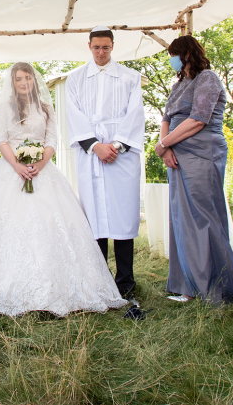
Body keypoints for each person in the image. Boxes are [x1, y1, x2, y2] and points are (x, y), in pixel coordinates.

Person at [0, 63, 128, 317]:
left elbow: (51, 141)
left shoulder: (46, 108)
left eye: (27, 78)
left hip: (43, 170)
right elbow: (1, 140)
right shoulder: (6, 107)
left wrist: (39, 163)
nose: (24, 82)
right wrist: (17, 166)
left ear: (34, 81)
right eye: (19, 79)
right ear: (13, 83)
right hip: (10, 168)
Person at [155, 35, 233, 305]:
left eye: (173, 54)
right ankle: (188, 286)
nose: (171, 60)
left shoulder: (208, 78)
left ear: (185, 54)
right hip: (177, 154)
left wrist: (163, 145)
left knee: (203, 216)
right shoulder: (178, 84)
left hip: (202, 152)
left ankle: (216, 289)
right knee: (182, 219)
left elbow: (198, 119)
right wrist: (165, 147)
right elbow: (166, 118)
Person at [66, 26, 145, 298]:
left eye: (106, 48)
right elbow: (73, 115)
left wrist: (117, 145)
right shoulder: (75, 78)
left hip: (121, 155)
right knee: (94, 216)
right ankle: (99, 282)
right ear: (89, 46)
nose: (101, 52)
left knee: (122, 215)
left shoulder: (130, 77)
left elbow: (135, 114)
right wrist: (95, 146)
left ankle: (126, 283)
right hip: (91, 154)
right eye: (97, 47)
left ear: (113, 47)